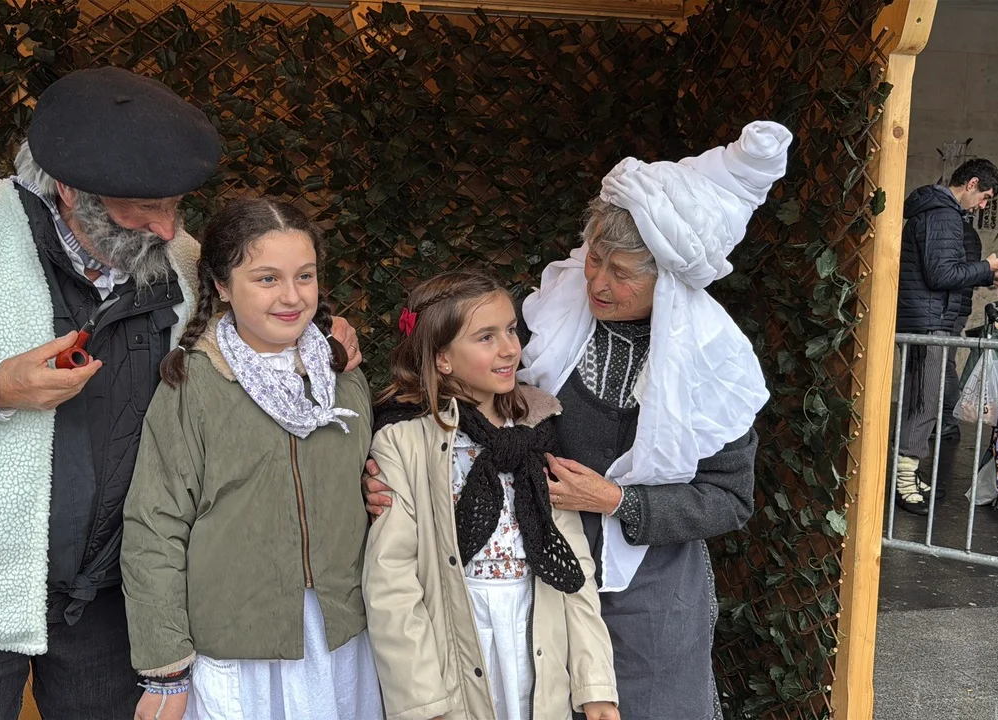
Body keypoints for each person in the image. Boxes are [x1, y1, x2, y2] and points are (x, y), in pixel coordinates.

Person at [0, 68, 361, 718]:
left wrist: (324, 342)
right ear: (69, 188)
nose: (166, 229)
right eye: (143, 208)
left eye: (175, 205)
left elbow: (256, 333)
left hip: (112, 599)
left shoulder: (180, 261)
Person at [366, 120, 789, 720]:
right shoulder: (547, 321)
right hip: (537, 585)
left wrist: (618, 500)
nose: (598, 282)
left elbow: (729, 498)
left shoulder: (714, 369)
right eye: (594, 259)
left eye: (623, 273)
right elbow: (449, 379)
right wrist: (385, 466)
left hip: (651, 592)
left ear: (669, 277)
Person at [121, 198, 381, 720]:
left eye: (304, 276)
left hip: (341, 638)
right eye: (267, 279)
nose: (291, 296)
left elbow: (364, 486)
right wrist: (165, 667)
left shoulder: (344, 380)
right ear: (221, 285)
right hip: (236, 650)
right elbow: (154, 525)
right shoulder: (193, 385)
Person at [363, 271, 619, 720]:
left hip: (537, 634)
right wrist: (424, 702)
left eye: (511, 329)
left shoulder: (536, 431)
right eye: (486, 337)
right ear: (442, 358)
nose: (509, 348)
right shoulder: (405, 442)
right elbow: (391, 580)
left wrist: (595, 685)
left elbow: (572, 563)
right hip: (455, 640)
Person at [894, 158, 998, 514]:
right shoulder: (944, 215)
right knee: (925, 401)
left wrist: (989, 275)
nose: (983, 205)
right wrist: (986, 267)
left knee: (922, 398)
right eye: (985, 197)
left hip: (923, 317)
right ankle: (903, 482)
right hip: (928, 320)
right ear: (972, 183)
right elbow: (941, 275)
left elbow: (941, 271)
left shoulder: (935, 210)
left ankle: (907, 473)